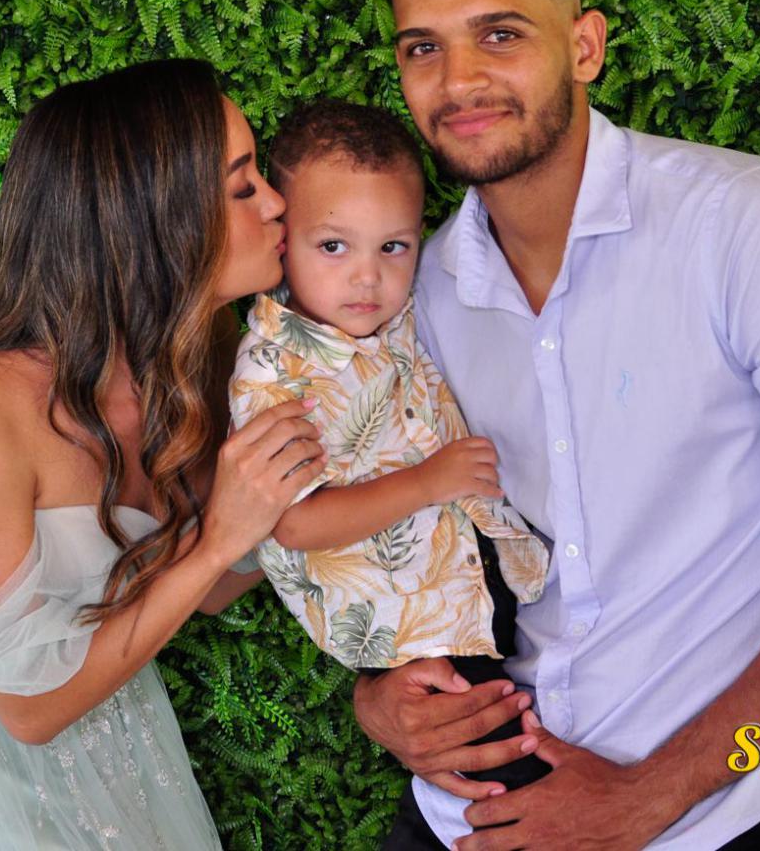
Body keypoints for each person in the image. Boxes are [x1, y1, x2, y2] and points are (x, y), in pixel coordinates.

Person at [352, 0, 760, 850]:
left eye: (499, 34)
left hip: (721, 814)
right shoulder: (415, 293)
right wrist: (378, 693)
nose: (458, 80)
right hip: (477, 806)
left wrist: (643, 799)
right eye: (423, 47)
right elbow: (405, 539)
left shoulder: (751, 230)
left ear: (584, 45)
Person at [0, 58, 321, 850]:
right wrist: (224, 534)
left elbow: (211, 589)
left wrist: (311, 491)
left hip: (111, 719)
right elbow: (28, 710)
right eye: (240, 185)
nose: (277, 202)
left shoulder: (200, 360)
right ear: (153, 222)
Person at [227, 100, 552, 793]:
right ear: (282, 237)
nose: (366, 277)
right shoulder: (274, 374)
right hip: (410, 630)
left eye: (392, 247)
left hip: (480, 587)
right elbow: (293, 522)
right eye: (333, 247)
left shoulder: (398, 313)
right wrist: (428, 482)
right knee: (514, 778)